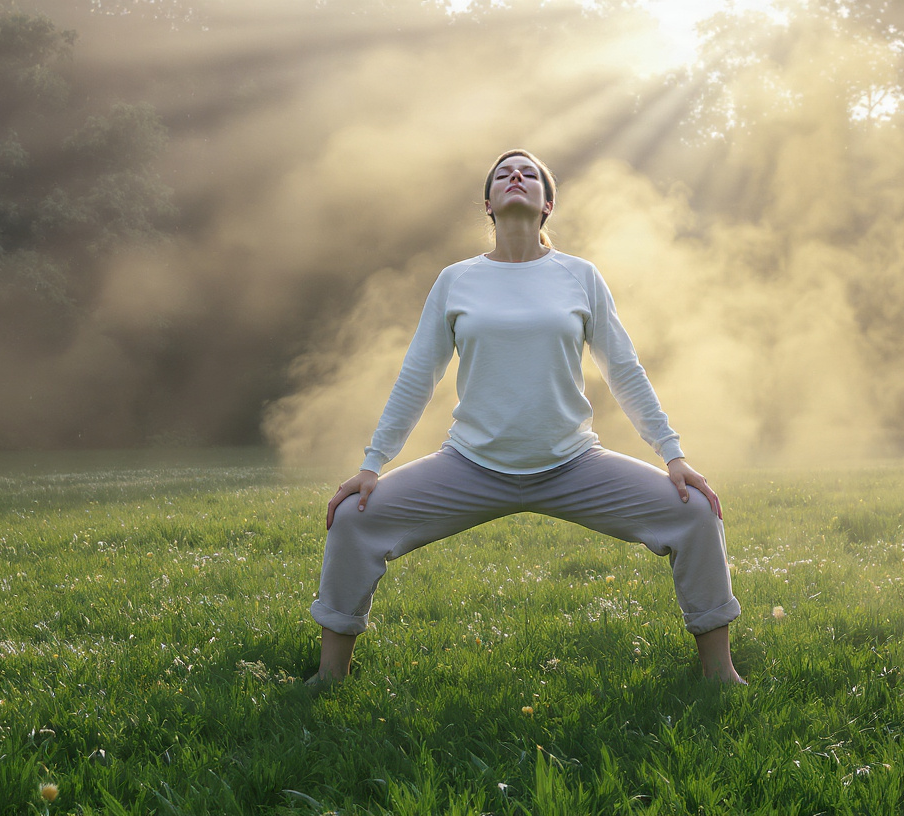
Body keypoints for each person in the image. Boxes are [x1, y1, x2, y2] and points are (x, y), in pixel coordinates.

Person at [310, 149, 744, 684]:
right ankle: (329, 678)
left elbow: (624, 371)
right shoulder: (456, 280)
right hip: (470, 467)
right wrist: (372, 464)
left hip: (574, 465)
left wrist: (673, 455)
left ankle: (720, 675)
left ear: (548, 204)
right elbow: (417, 376)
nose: (516, 176)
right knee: (354, 520)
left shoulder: (579, 276)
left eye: (530, 173)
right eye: (503, 173)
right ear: (488, 204)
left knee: (695, 513)